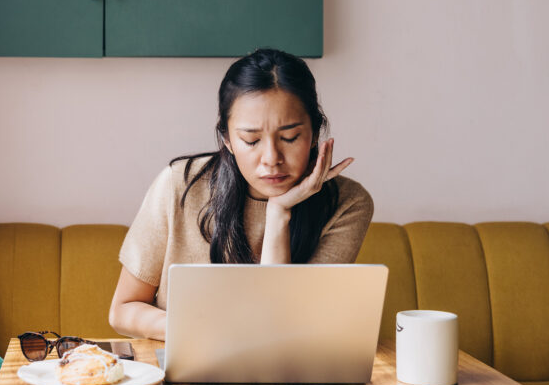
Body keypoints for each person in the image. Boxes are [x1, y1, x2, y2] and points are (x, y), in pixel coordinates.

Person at [110, 46, 374, 342]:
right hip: (186, 358)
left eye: (290, 137)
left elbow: (280, 330)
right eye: (251, 140)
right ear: (227, 139)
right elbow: (123, 310)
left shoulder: (348, 203)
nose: (271, 158)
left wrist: (279, 213)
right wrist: (210, 331)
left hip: (287, 366)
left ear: (315, 132)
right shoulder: (179, 185)